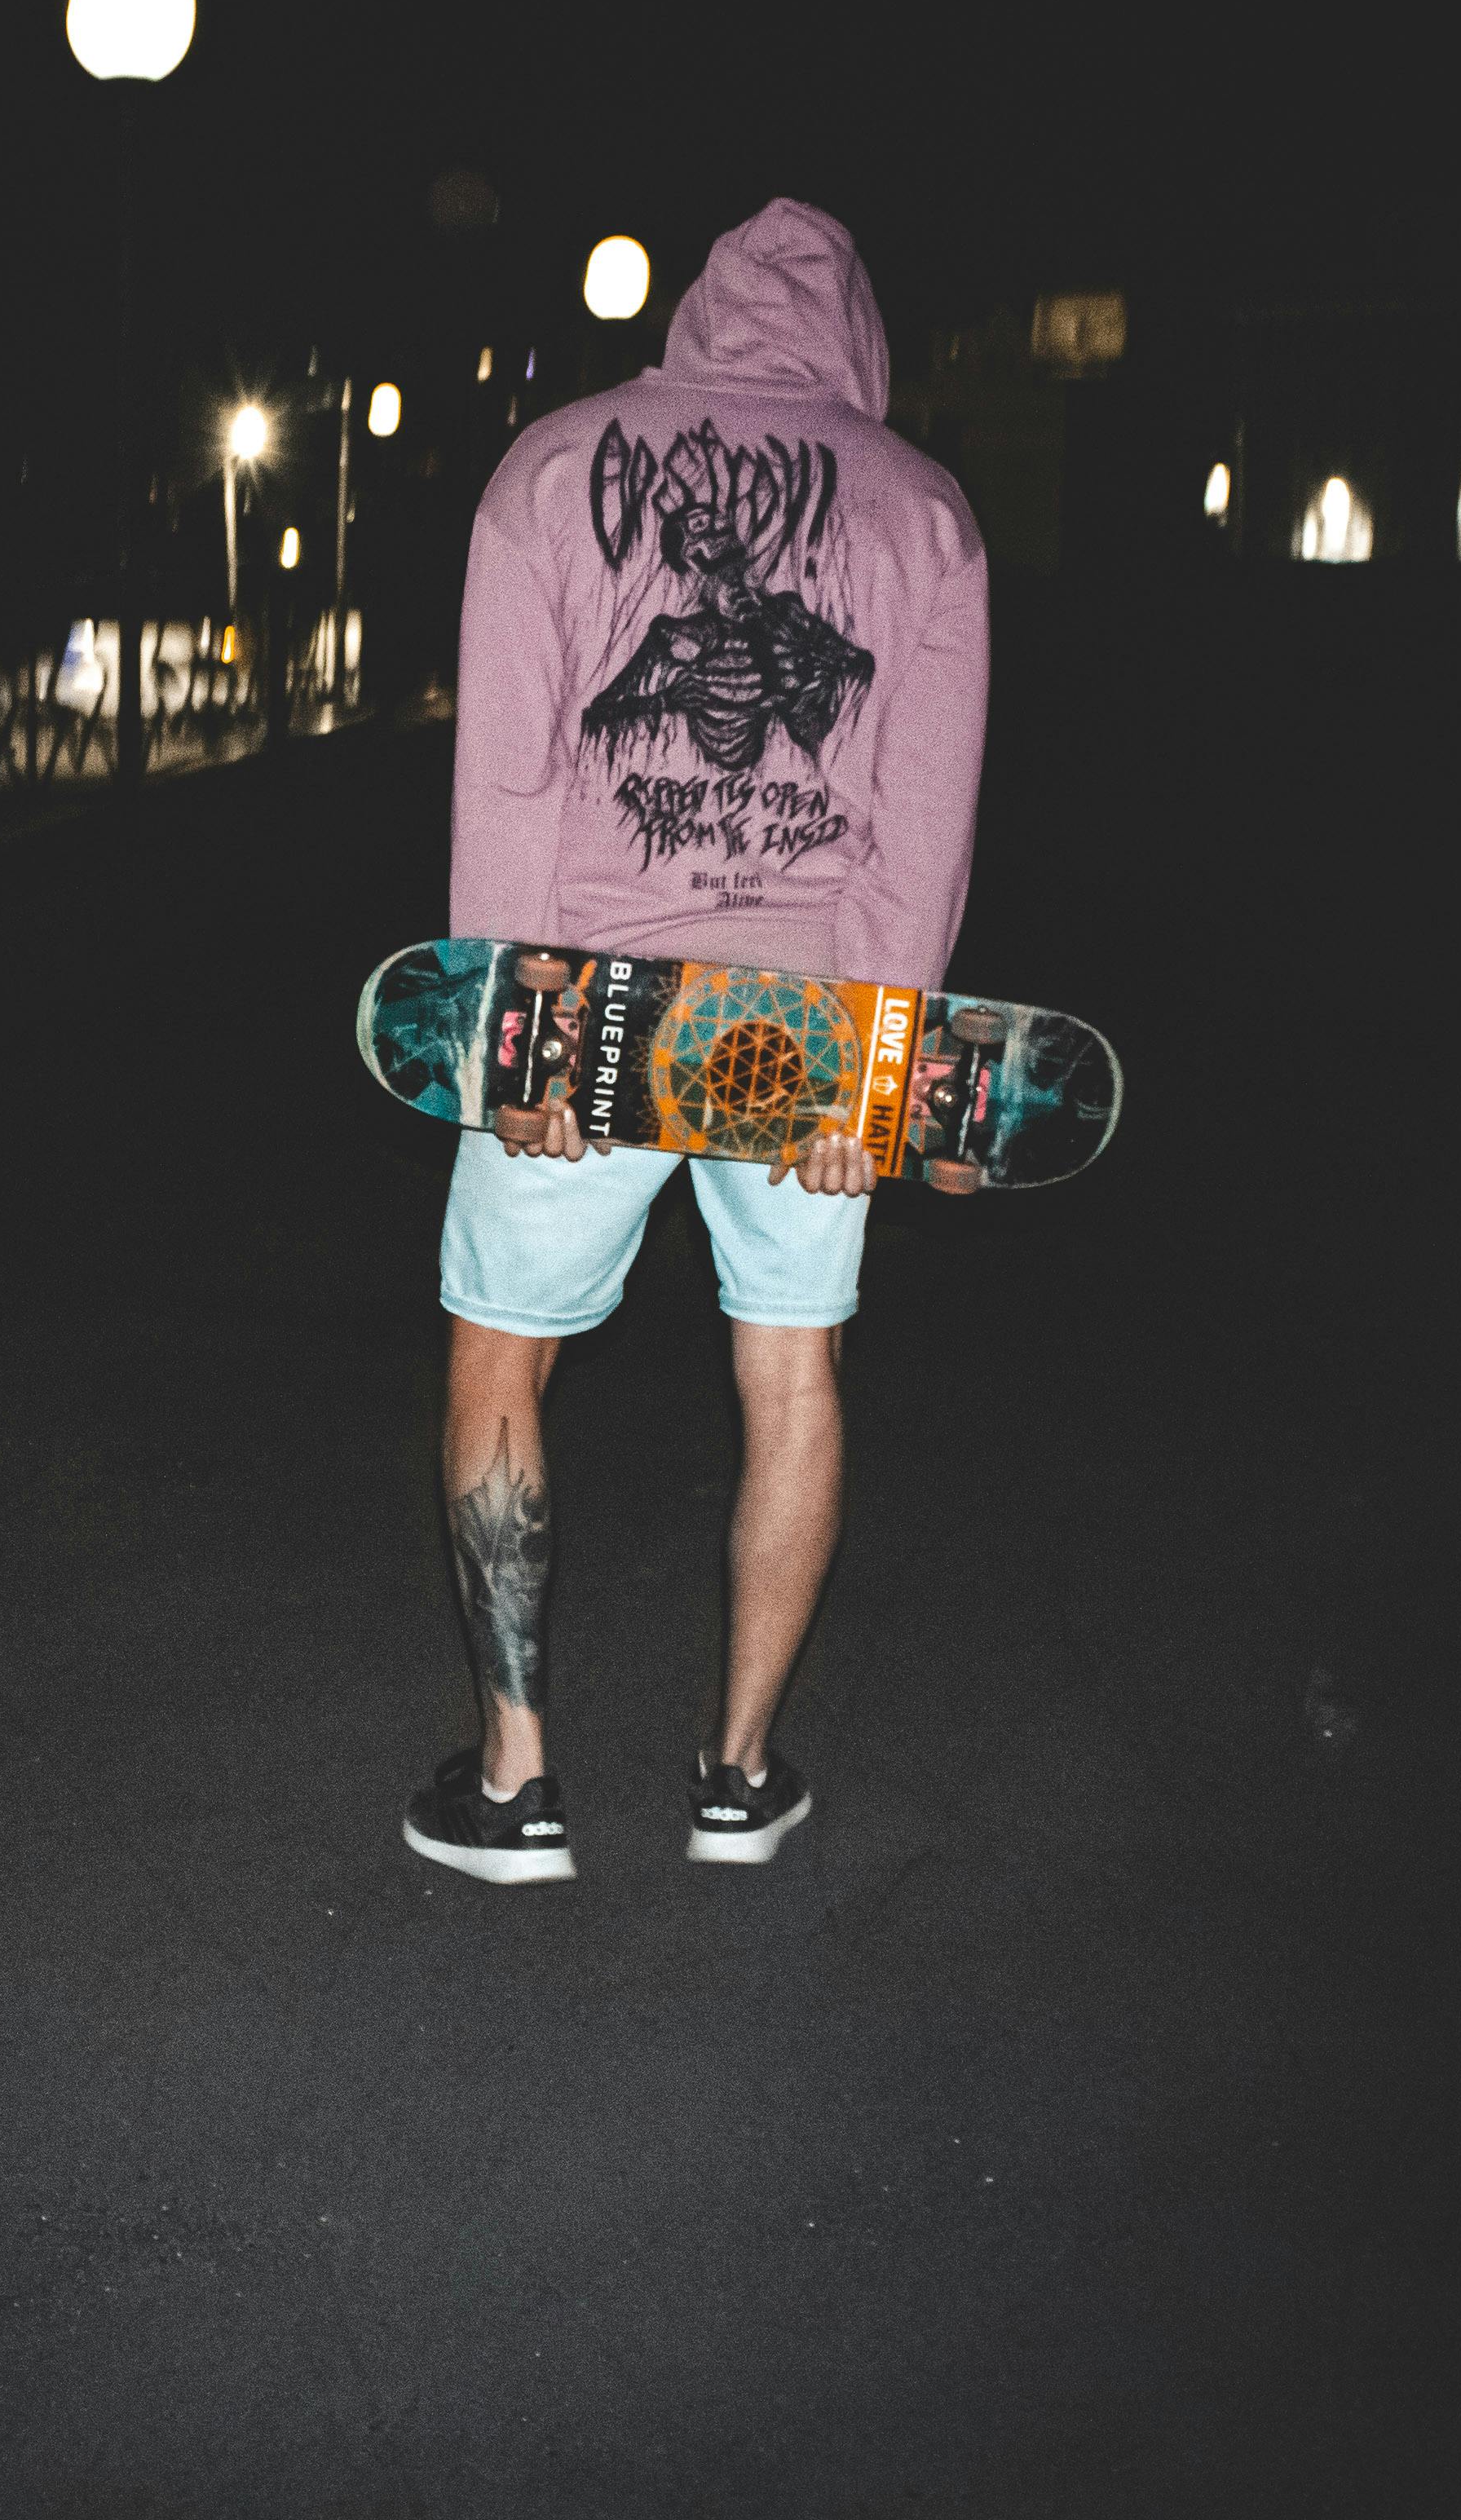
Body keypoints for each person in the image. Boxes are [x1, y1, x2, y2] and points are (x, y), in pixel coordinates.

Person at [403, 199, 988, 1886]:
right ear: (859, 336)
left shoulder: (546, 473)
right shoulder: (927, 518)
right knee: (788, 1364)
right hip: (808, 1019)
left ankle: (514, 1785)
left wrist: (518, 1036)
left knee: (504, 1351)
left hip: (587, 999)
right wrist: (874, 1066)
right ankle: (737, 1779)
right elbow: (917, 827)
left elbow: (509, 776)